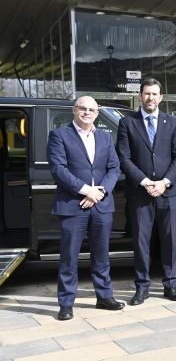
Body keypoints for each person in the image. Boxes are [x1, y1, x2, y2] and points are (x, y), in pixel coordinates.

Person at [48, 96, 125, 321]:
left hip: (101, 204)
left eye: (92, 109)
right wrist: (85, 190)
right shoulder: (59, 135)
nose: (87, 112)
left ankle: (104, 297)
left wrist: (100, 192)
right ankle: (66, 303)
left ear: (97, 113)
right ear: (74, 110)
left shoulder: (105, 137)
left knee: (101, 255)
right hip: (73, 205)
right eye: (83, 108)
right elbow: (58, 169)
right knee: (69, 257)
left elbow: (114, 167)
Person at [117, 77, 176, 305]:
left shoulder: (173, 122)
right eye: (147, 93)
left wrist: (164, 182)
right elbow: (124, 158)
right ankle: (142, 287)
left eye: (155, 94)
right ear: (140, 96)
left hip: (169, 192)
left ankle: (171, 285)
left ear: (161, 97)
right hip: (140, 193)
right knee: (141, 242)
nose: (150, 98)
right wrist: (145, 181)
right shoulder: (127, 123)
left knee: (169, 240)